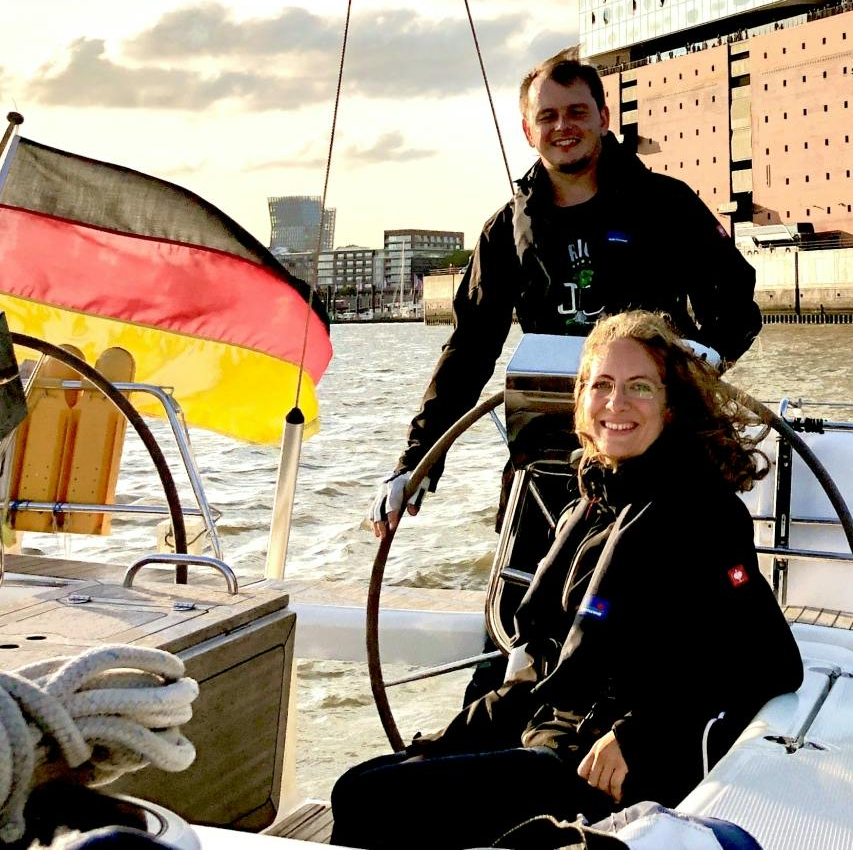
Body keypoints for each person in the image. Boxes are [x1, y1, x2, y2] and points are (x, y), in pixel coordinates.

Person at [332, 312, 802, 850]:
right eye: (601, 385)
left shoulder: (702, 515)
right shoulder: (594, 501)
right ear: (580, 399)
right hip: (543, 728)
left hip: (599, 770)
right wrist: (442, 741)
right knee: (367, 781)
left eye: (639, 388)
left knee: (367, 800)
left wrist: (640, 737)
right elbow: (545, 664)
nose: (616, 403)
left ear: (670, 407)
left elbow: (770, 661)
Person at [373, 51, 762, 528]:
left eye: (577, 112)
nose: (563, 126)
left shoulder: (667, 205)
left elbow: (737, 307)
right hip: (549, 459)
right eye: (548, 116)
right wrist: (417, 460)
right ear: (528, 130)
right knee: (533, 594)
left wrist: (706, 358)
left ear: (602, 117)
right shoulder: (504, 233)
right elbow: (470, 349)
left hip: (661, 449)